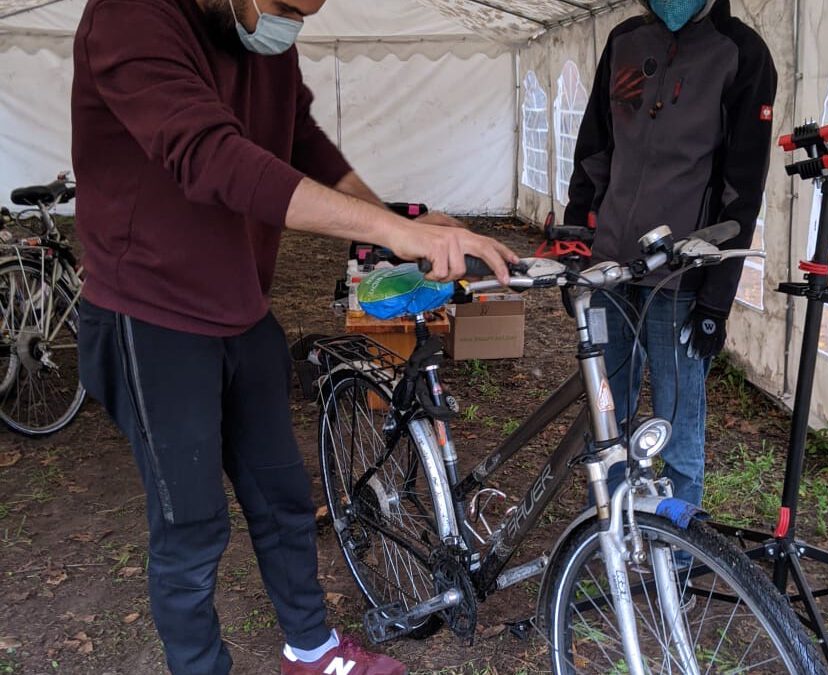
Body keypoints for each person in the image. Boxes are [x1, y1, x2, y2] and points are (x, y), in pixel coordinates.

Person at [71, 0, 517, 673]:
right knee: (191, 526)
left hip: (240, 304)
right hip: (151, 313)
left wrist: (392, 221)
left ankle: (310, 649)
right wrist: (399, 231)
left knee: (282, 499)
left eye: (305, 12)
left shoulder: (263, 41)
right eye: (282, 8)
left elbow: (300, 141)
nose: (290, 26)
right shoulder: (131, 16)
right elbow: (210, 158)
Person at [565, 0, 777, 513]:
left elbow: (741, 190)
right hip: (609, 266)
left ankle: (679, 560)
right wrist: (575, 249)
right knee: (606, 417)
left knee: (677, 428)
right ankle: (611, 541)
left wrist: (716, 301)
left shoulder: (743, 54)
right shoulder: (625, 42)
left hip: (680, 277)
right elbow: (594, 150)